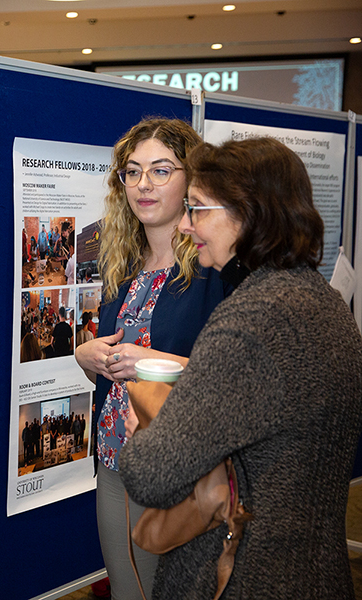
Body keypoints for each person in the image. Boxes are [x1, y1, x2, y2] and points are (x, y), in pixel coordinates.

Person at [120, 137, 362, 600]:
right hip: (316, 570)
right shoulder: (324, 302)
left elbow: (152, 475)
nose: (187, 225)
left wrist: (145, 431)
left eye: (200, 209)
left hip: (245, 575)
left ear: (248, 215)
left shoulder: (250, 322)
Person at [74, 118, 230, 600]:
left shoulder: (214, 268)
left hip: (180, 468)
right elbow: (111, 361)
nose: (143, 184)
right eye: (133, 172)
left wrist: (153, 361)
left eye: (161, 171)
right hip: (116, 461)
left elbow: (235, 378)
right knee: (126, 590)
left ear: (191, 180)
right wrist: (87, 354)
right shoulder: (121, 263)